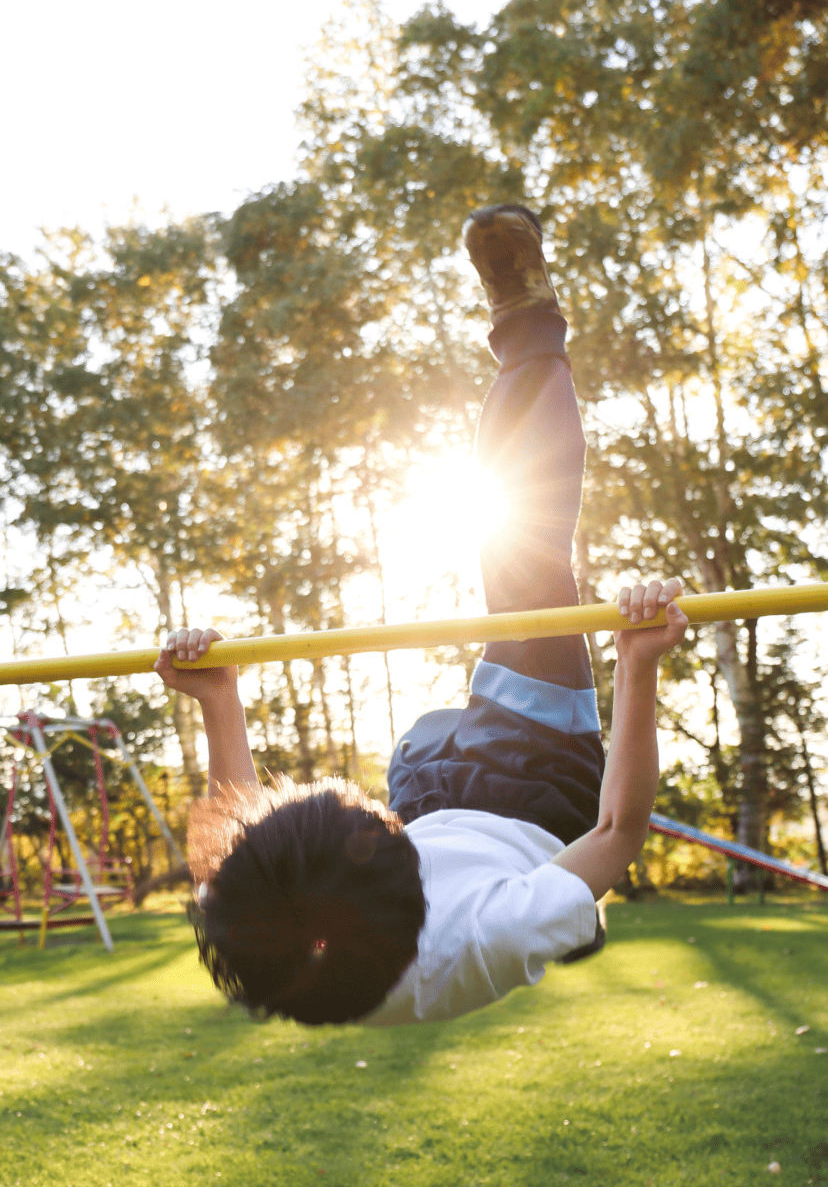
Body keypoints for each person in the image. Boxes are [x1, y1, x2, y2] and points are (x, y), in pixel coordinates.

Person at [155, 205, 688, 1026]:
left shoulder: (288, 944)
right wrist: (638, 661)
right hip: (533, 785)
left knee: (503, 568)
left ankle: (525, 334)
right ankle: (527, 318)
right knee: (520, 553)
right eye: (366, 832)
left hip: (425, 785)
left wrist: (217, 697)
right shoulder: (488, 935)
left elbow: (246, 847)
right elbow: (617, 830)